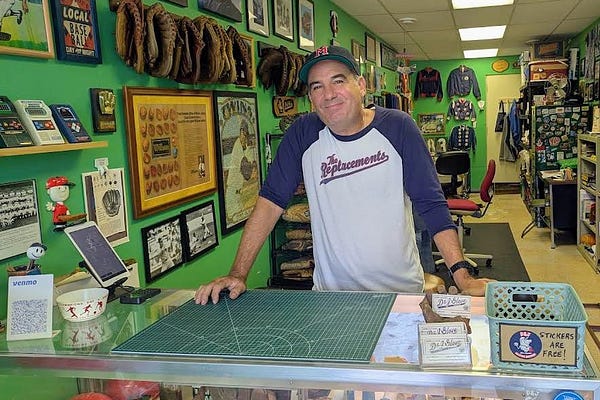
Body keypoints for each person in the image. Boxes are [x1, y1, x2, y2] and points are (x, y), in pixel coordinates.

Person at [195, 45, 492, 305]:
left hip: (400, 293)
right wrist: (238, 274)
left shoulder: (398, 127)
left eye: (338, 81)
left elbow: (431, 203)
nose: (329, 94)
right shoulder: (302, 134)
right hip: (332, 298)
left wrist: (462, 276)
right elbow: (270, 203)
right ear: (311, 97)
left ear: (360, 85)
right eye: (317, 86)